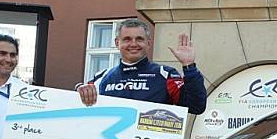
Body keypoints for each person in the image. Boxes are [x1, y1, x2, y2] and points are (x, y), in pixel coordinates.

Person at [77, 18, 206, 114]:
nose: (133, 44)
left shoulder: (165, 74)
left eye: (139, 39)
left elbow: (196, 106)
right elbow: (79, 108)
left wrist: (189, 67)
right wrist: (79, 90)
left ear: (148, 43)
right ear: (117, 43)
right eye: (127, 39)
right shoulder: (101, 78)